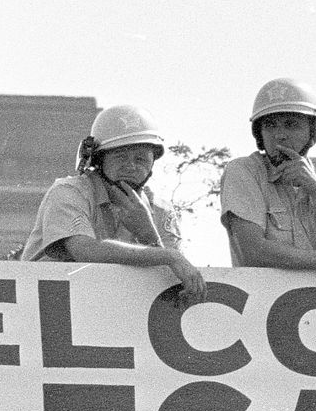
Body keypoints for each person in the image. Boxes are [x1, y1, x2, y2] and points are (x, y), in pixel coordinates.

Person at [16, 104, 205, 303]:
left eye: (141, 159)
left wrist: (149, 235)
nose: (131, 166)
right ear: (98, 161)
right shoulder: (70, 192)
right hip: (48, 308)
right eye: (120, 157)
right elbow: (85, 249)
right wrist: (167, 256)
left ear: (152, 164)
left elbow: (176, 280)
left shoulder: (161, 210)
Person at [220, 78, 316, 271]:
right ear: (259, 134)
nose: (280, 135)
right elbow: (253, 252)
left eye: (291, 124)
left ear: (312, 132)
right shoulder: (244, 171)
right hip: (265, 298)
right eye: (270, 125)